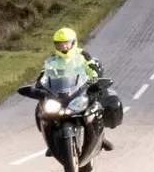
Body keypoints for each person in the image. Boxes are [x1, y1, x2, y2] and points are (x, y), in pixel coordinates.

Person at [38, 27, 112, 155]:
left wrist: (94, 78)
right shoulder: (52, 60)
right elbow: (43, 74)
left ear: (73, 43)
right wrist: (39, 84)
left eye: (66, 43)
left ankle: (101, 138)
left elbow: (94, 69)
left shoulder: (83, 55)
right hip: (60, 92)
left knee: (96, 106)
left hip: (81, 89)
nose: (63, 47)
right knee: (41, 109)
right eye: (60, 44)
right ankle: (51, 142)